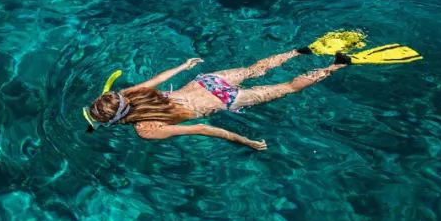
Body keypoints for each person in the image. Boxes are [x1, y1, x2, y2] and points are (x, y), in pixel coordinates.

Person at [82, 32, 421, 151]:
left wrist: (245, 142)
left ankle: (341, 63)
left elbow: (202, 128)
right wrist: (186, 67)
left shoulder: (146, 130)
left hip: (226, 101)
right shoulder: (133, 93)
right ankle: (303, 50)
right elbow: (156, 79)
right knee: (259, 66)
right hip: (207, 80)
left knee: (289, 86)